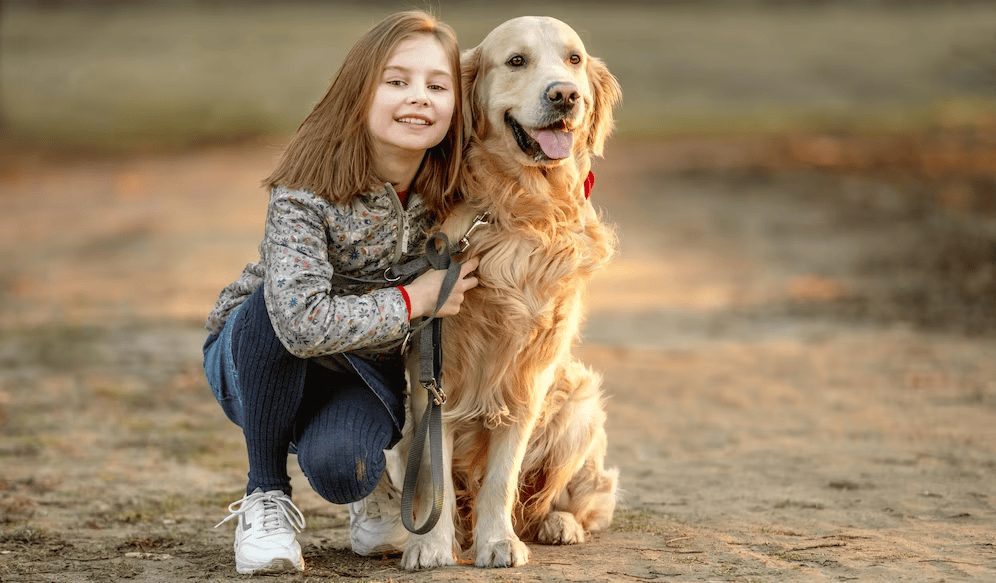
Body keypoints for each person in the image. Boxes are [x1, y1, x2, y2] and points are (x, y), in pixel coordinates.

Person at [202, 10, 477, 575]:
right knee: (271, 310)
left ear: (457, 105)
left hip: (362, 368)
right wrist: (414, 301)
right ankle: (266, 496)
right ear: (360, 90)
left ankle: (368, 487)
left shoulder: (456, 186)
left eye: (436, 85)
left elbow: (543, 186)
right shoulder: (308, 182)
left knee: (340, 469)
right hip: (256, 357)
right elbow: (300, 322)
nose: (418, 97)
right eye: (396, 81)